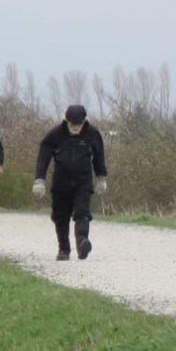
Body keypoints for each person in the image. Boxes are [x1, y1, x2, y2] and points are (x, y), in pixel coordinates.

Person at [34, 104, 108, 261]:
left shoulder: (92, 134)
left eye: (79, 124)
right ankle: (64, 250)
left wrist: (102, 177)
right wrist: (39, 180)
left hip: (83, 182)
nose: (76, 127)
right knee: (60, 216)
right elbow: (43, 156)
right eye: (73, 124)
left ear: (83, 122)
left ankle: (82, 242)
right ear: (66, 121)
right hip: (61, 182)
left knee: (82, 213)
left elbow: (99, 156)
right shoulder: (55, 135)